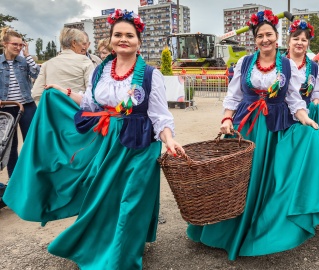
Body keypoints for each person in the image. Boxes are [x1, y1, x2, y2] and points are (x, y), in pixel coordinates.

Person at [3, 9, 184, 269]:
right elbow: (89, 104)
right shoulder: (100, 72)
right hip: (107, 145)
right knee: (106, 199)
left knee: (131, 202)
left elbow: (159, 115)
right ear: (110, 39)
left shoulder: (150, 74)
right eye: (118, 35)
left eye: (129, 36)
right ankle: (101, 245)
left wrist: (169, 140)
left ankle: (123, 259)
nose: (123, 39)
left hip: (139, 147)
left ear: (139, 41)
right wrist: (63, 92)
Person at [187, 9, 319, 260]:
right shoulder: (245, 63)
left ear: (277, 38)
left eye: (269, 34)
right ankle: (227, 230)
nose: (265, 39)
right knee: (236, 180)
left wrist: (306, 119)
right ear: (255, 39)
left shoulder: (288, 65)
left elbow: (293, 100)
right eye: (260, 36)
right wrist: (226, 118)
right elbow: (234, 97)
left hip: (274, 128)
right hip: (246, 127)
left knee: (272, 180)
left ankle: (266, 232)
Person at [0, 27, 40, 178]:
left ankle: (32, 177)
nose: (18, 48)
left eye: (21, 45)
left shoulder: (23, 61)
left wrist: (28, 55)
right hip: (6, 109)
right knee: (9, 146)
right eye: (14, 44)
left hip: (27, 106)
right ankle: (15, 180)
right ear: (5, 44)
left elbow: (36, 73)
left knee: (32, 142)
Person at [31, 27, 94, 102]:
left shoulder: (47, 64)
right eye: (81, 43)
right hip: (78, 110)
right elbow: (93, 92)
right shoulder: (85, 61)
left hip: (53, 111)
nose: (83, 47)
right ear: (74, 43)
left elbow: (36, 93)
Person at [286, 19, 319, 129]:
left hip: (306, 115)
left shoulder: (314, 67)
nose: (299, 43)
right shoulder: (279, 64)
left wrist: (317, 100)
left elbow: (318, 90)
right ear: (289, 41)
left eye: (304, 40)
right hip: (282, 115)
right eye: (296, 39)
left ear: (308, 43)